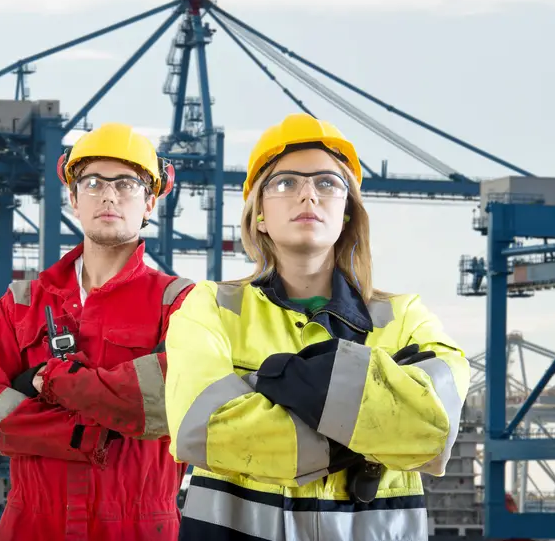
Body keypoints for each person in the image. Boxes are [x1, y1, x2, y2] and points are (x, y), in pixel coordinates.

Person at [164, 113, 470, 541]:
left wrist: (281, 385)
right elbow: (202, 429)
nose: (308, 194)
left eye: (327, 183)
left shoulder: (406, 315)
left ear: (347, 212)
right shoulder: (209, 307)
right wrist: (371, 421)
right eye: (285, 183)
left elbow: (434, 432)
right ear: (259, 216)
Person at [0, 122, 194, 541]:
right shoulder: (23, 301)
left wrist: (47, 380)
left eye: (126, 183)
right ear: (72, 198)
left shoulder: (179, 302)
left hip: (140, 524)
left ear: (150, 202)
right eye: (92, 183)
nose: (108, 195)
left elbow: (164, 407)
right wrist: (89, 430)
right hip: (32, 522)